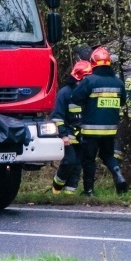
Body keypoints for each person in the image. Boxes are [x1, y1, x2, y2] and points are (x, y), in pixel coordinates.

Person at [70, 46, 128, 195]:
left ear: (93, 63)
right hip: (110, 129)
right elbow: (122, 103)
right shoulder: (118, 82)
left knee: (89, 159)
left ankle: (89, 190)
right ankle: (118, 175)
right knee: (108, 155)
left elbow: (75, 98)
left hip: (91, 129)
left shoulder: (89, 81)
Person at [51, 60, 93, 194]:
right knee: (69, 161)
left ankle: (69, 193)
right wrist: (63, 135)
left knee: (77, 166)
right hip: (68, 135)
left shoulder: (88, 93)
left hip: (82, 136)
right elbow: (57, 116)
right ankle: (56, 188)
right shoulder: (65, 93)